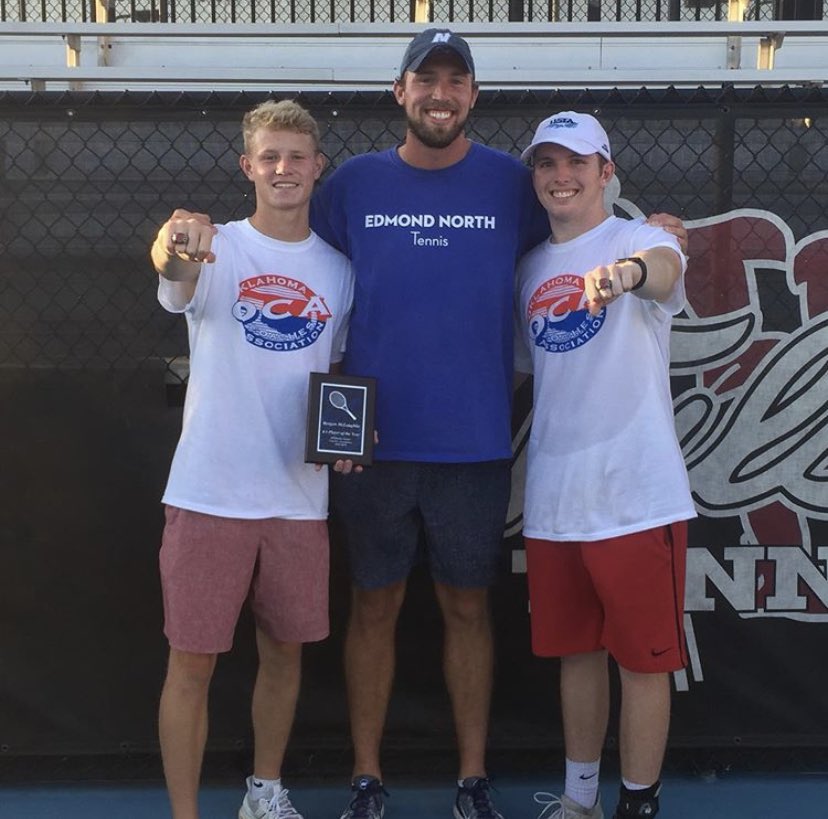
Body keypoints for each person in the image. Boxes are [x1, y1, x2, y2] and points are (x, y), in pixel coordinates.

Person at [171, 30, 686, 819]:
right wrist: (182, 238)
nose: (439, 94)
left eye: (454, 81)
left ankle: (472, 780)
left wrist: (655, 242)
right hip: (371, 450)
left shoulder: (514, 184)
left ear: (472, 95)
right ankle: (367, 779)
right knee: (373, 608)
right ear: (400, 92)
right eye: (425, 80)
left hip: (474, 447)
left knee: (468, 609)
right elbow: (300, 265)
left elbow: (583, 230)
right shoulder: (351, 185)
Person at [150, 99, 354, 819]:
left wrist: (348, 438)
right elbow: (171, 267)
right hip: (209, 495)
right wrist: (175, 240)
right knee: (192, 663)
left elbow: (337, 376)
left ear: (318, 166)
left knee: (286, 654)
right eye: (270, 156)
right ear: (248, 166)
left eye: (296, 156)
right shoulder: (216, 248)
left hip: (298, 500)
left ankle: (264, 793)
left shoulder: (339, 270)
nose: (283, 168)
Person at [514, 111, 696, 819]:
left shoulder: (639, 238)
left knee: (644, 661)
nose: (561, 176)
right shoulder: (528, 267)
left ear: (605, 172)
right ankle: (579, 799)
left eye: (576, 162)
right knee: (577, 655)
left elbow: (665, 272)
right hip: (555, 499)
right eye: (547, 163)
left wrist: (630, 273)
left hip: (636, 496)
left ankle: (637, 804)